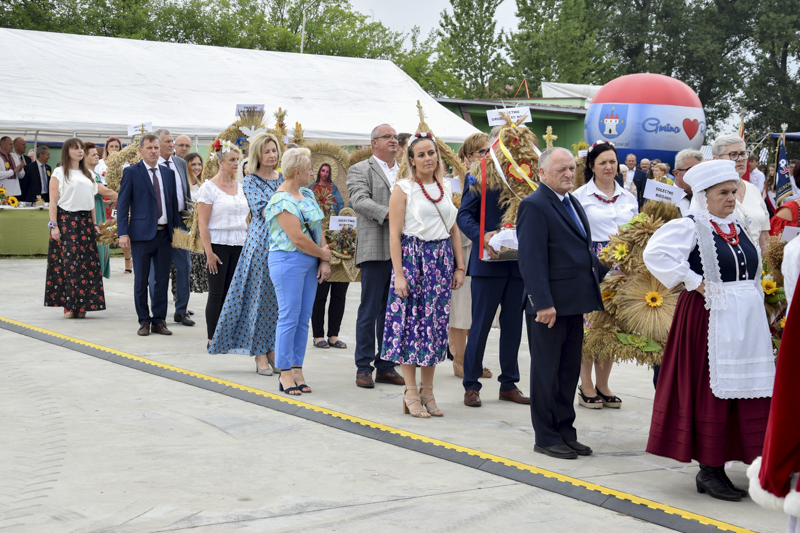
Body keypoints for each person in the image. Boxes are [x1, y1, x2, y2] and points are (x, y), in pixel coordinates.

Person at [643, 160, 774, 501]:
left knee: (751, 388)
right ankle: (710, 469)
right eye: (723, 193)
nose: (731, 198)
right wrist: (694, 281)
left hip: (746, 319)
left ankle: (751, 461)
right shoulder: (691, 225)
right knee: (710, 391)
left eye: (733, 191)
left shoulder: (738, 224)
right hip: (708, 318)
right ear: (703, 196)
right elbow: (655, 253)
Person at [517, 147, 607, 459]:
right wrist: (542, 302)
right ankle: (546, 435)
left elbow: (581, 251)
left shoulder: (572, 202)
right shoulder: (534, 205)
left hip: (573, 303)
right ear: (542, 173)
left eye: (571, 168)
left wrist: (613, 270)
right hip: (549, 308)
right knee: (546, 372)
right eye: (561, 169)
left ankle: (565, 432)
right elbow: (531, 260)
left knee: (568, 372)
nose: (569, 174)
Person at [381, 132, 465, 417]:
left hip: (440, 264)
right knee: (410, 329)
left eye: (431, 153)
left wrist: (459, 266)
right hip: (413, 260)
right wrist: (400, 274)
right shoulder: (403, 188)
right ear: (412, 160)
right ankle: (411, 392)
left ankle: (428, 392)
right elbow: (394, 235)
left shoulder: (444, 187)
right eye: (421, 154)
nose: (428, 158)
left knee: (434, 329)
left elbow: (453, 228)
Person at [457, 127, 529, 408]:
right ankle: (471, 385)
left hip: (518, 263)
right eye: (506, 141)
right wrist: (482, 235)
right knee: (481, 326)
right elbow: (464, 215)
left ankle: (509, 384)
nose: (512, 145)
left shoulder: (527, 173)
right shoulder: (480, 172)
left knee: (513, 327)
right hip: (488, 262)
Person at [209, 133, 283, 375]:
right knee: (258, 300)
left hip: (283, 244)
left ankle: (271, 348)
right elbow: (264, 210)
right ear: (257, 156)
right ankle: (259, 352)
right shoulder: (251, 181)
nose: (272, 155)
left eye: (274, 150)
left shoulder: (282, 178)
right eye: (267, 151)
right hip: (260, 245)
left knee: (276, 302)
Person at [571, 141, 637, 409]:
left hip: (623, 266)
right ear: (591, 166)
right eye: (602, 163)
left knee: (611, 326)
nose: (609, 167)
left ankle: (604, 383)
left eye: (612, 162)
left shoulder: (629, 197)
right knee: (590, 326)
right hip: (591, 263)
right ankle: (585, 384)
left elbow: (636, 232)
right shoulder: (579, 197)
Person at [265, 147, 331, 395]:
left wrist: (324, 259)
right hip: (287, 261)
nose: (312, 172)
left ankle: (297, 368)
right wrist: (322, 254)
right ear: (296, 172)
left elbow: (316, 228)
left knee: (303, 319)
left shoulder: (306, 194)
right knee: (289, 316)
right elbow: (297, 238)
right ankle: (284, 372)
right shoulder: (281, 200)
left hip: (310, 261)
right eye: (309, 169)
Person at [347, 124, 405, 389]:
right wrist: (393, 214)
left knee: (393, 311)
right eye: (387, 137)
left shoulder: (406, 170)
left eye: (395, 136)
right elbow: (359, 200)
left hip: (405, 250)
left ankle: (386, 366)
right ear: (374, 143)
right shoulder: (360, 169)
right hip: (375, 247)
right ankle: (363, 367)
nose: (393, 140)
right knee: (370, 310)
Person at [117, 134, 181, 336]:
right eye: (149, 148)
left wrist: (178, 234)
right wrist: (122, 233)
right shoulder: (131, 172)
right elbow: (122, 204)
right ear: (141, 151)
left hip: (164, 235)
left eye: (156, 147)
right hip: (141, 235)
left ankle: (159, 320)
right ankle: (144, 320)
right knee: (141, 281)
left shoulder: (167, 174)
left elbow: (171, 206)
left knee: (162, 280)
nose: (154, 151)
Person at [45, 137, 107, 319]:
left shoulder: (87, 173)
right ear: (67, 151)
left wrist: (95, 223)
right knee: (70, 264)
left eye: (81, 148)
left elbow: (92, 201)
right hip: (67, 220)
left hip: (86, 221)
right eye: (75, 148)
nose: (80, 151)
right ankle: (69, 305)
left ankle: (83, 304)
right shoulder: (59, 172)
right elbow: (53, 202)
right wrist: (53, 226)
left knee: (87, 264)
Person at [197, 143, 249, 347]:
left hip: (240, 243)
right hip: (218, 244)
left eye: (238, 160)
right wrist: (209, 253)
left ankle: (230, 335)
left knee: (234, 293)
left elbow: (246, 219)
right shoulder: (209, 188)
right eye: (232, 160)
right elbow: (203, 223)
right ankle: (212, 338)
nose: (237, 163)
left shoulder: (241, 187)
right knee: (217, 293)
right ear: (220, 163)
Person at [450, 132, 493, 379]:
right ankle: (460, 359)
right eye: (482, 152)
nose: (487, 156)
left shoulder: (490, 178)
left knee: (476, 309)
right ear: (468, 157)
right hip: (462, 249)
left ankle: (472, 357)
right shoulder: (454, 182)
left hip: (482, 250)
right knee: (461, 308)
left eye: (489, 151)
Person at [153, 128, 194, 327]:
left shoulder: (179, 163)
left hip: (180, 222)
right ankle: (157, 314)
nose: (172, 145)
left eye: (172, 141)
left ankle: (181, 310)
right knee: (157, 271)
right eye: (168, 141)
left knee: (184, 266)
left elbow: (185, 192)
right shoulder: (150, 166)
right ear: (157, 144)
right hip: (159, 224)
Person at [707, 135, 770, 251]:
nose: (740, 159)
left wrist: (768, 266)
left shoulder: (754, 190)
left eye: (743, 153)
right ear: (716, 159)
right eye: (733, 154)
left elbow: (764, 236)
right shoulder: (706, 192)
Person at [310, 162, 349, 350]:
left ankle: (334, 335)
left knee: (340, 293)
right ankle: (318, 335)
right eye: (322, 170)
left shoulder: (334, 188)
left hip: (338, 237)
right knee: (320, 293)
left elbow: (341, 206)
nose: (324, 173)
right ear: (318, 172)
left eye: (327, 171)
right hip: (318, 239)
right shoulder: (311, 190)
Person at [84, 142, 119, 279]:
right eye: (93, 155)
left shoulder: (93, 173)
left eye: (97, 154)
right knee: (98, 247)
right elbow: (105, 191)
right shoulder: (87, 174)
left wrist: (104, 202)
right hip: (93, 215)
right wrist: (127, 198)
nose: (97, 157)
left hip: (99, 210)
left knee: (103, 247)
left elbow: (94, 195)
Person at [673, 149, 704, 216]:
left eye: (700, 170)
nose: (696, 175)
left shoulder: (706, 198)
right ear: (676, 173)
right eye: (690, 170)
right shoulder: (660, 198)